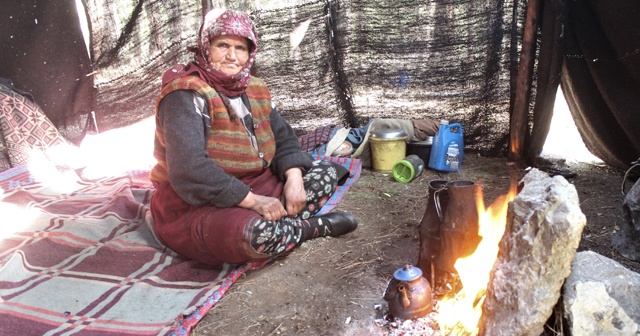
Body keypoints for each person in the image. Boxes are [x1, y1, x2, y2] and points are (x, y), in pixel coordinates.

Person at [149, 9, 358, 266]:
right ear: (205, 47)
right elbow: (189, 170)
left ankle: (282, 226)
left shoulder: (255, 87)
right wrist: (254, 202)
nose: (232, 56)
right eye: (222, 45)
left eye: (241, 47)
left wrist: (293, 179)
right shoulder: (185, 95)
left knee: (326, 173)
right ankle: (311, 228)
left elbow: (284, 137)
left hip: (258, 185)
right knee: (253, 235)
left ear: (250, 53)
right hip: (197, 202)